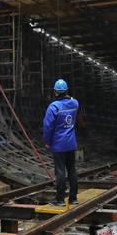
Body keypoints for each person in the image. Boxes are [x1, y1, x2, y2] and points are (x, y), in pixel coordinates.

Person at [42, 78, 79, 206]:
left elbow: (48, 126)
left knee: (60, 172)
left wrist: (47, 141)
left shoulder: (54, 107)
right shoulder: (75, 104)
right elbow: (73, 101)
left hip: (58, 144)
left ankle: (60, 200)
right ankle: (73, 198)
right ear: (67, 90)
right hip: (71, 143)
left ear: (55, 92)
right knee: (72, 170)